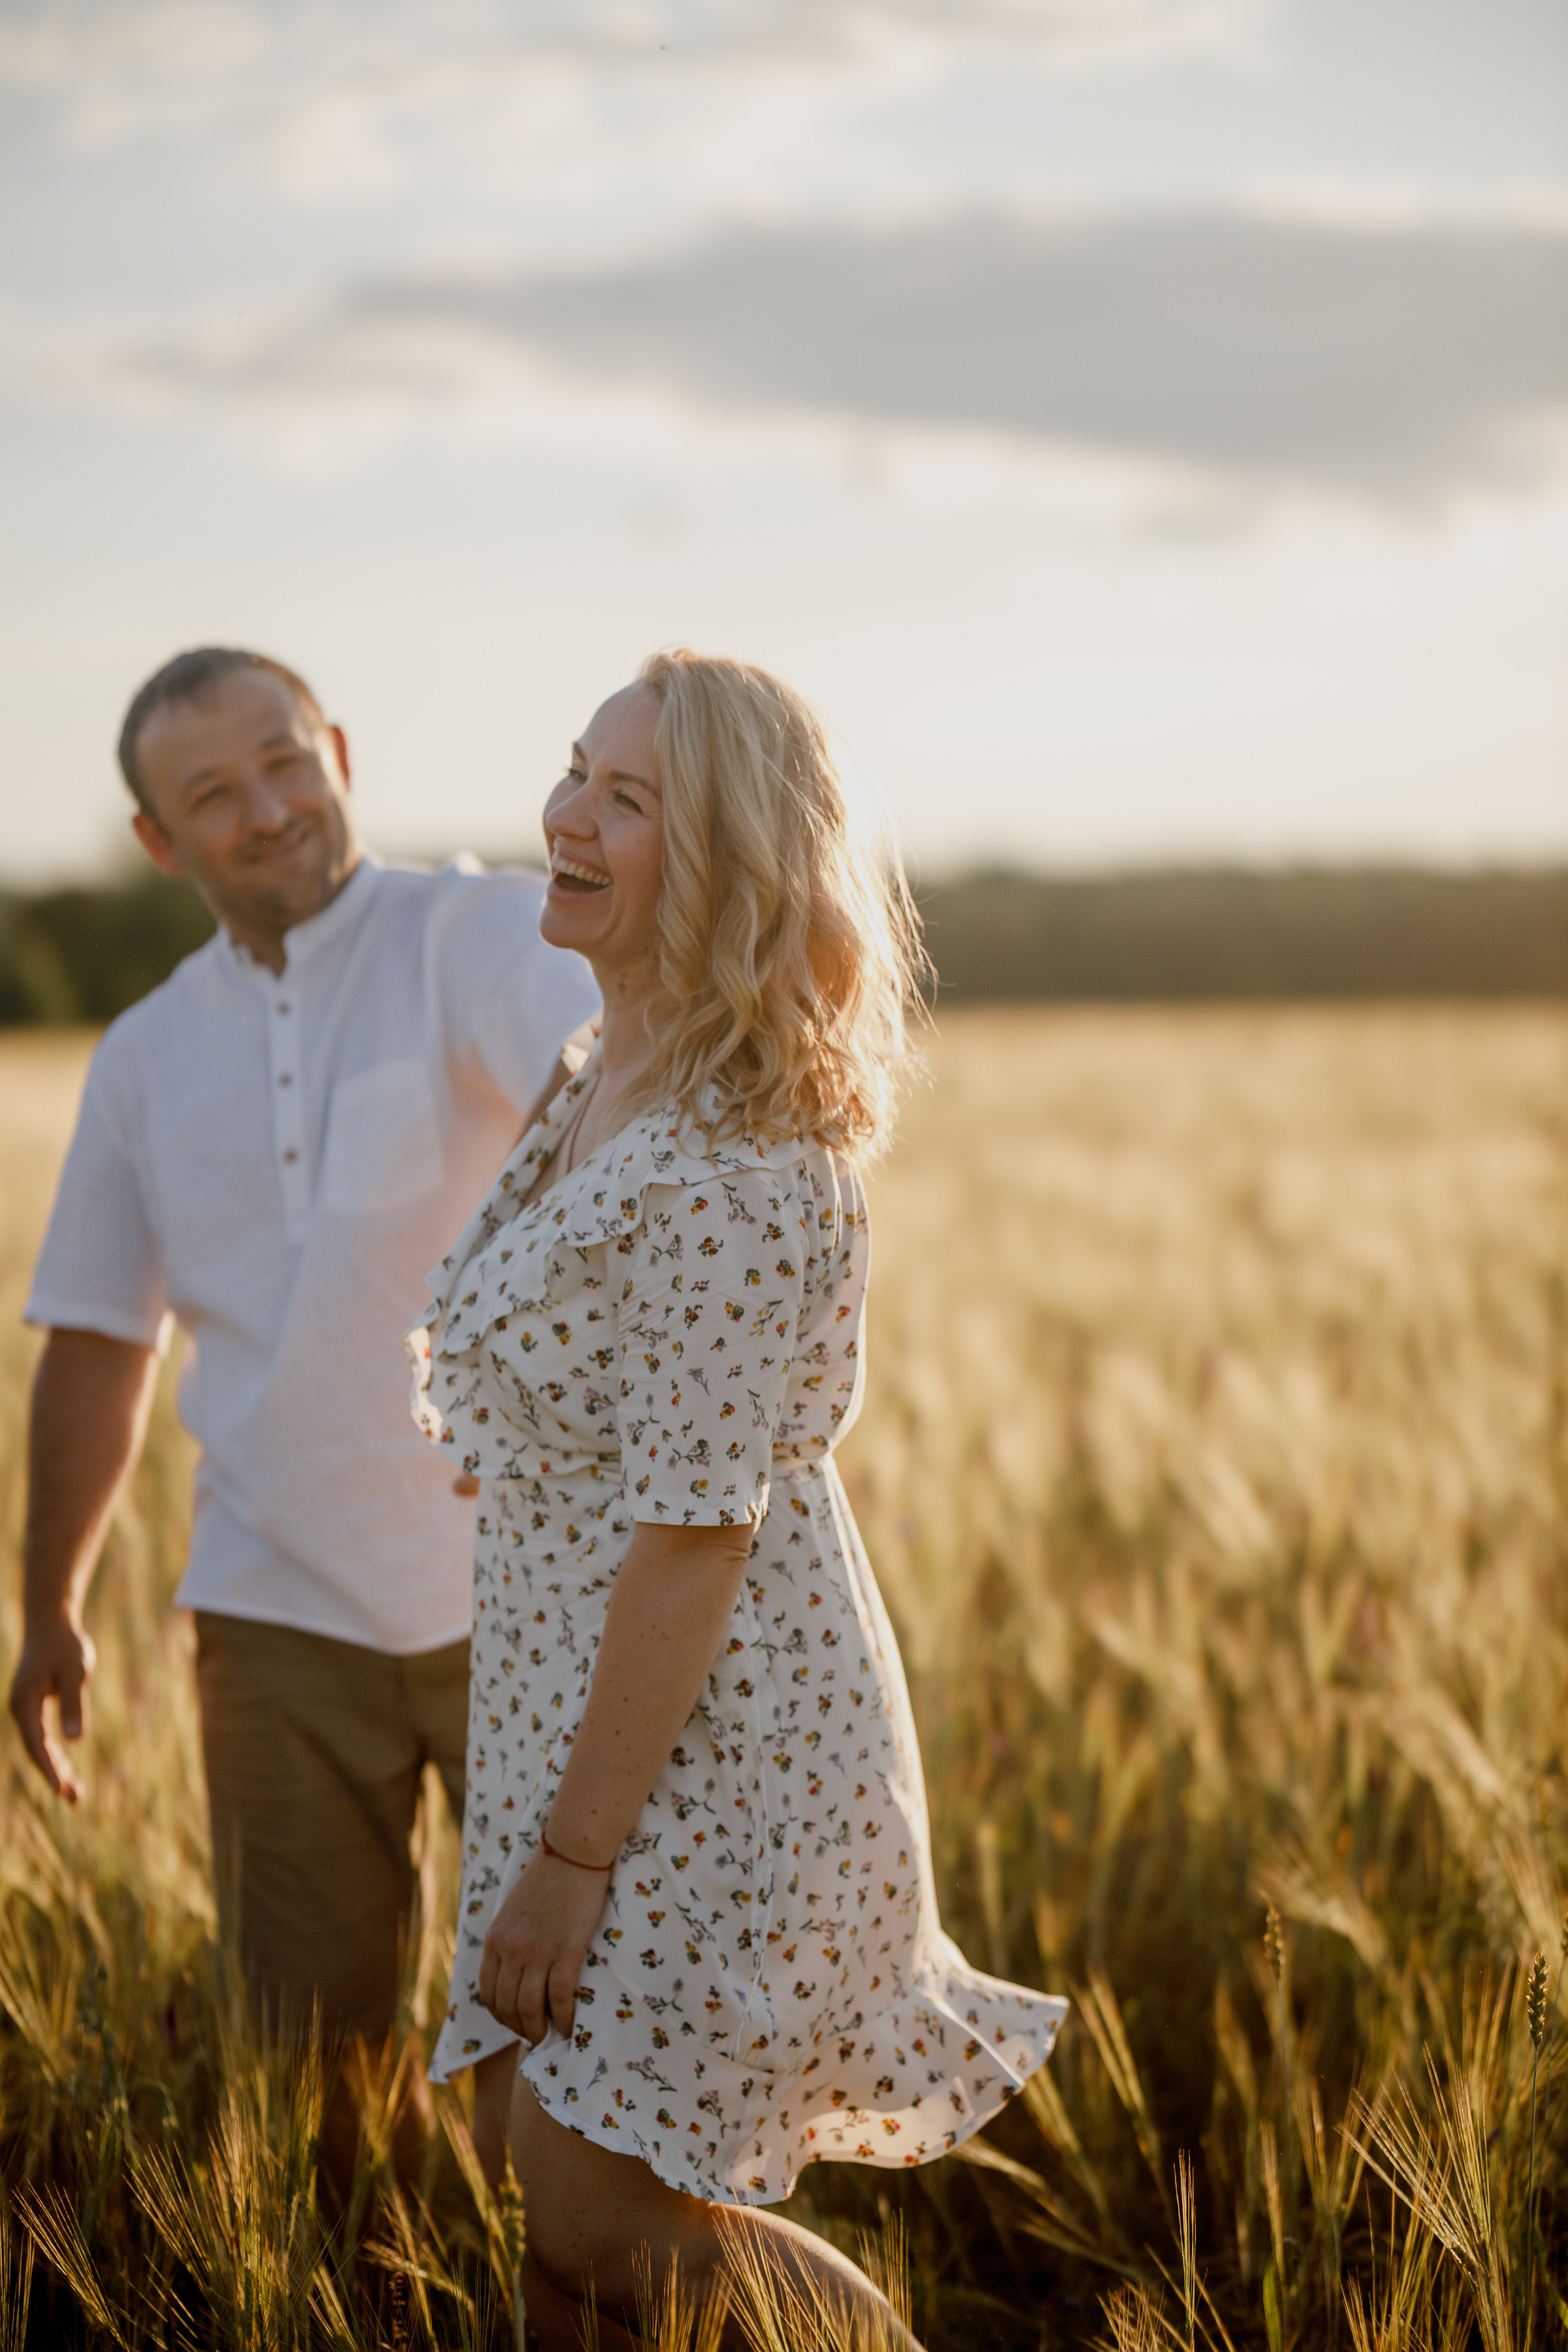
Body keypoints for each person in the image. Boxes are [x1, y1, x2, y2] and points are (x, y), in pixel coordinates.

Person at [409, 649, 1065, 2345]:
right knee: (540, 2189)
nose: (568, 814)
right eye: (576, 768)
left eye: (629, 799)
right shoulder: (596, 1073)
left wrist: (572, 1860)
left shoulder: (734, 1158)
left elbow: (700, 1538)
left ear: (723, 862)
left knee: (599, 2211)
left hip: (701, 1752)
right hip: (567, 1710)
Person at [10, 647, 599, 2173]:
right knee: (312, 2086)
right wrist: (49, 1601)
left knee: (576, 2065)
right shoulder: (144, 1058)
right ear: (159, 841)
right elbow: (97, 1338)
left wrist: (527, 1360)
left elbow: (600, 1086)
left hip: (527, 1588)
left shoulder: (475, 932)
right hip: (272, 1607)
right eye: (214, 793)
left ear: (336, 750)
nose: (268, 808)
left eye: (284, 761)